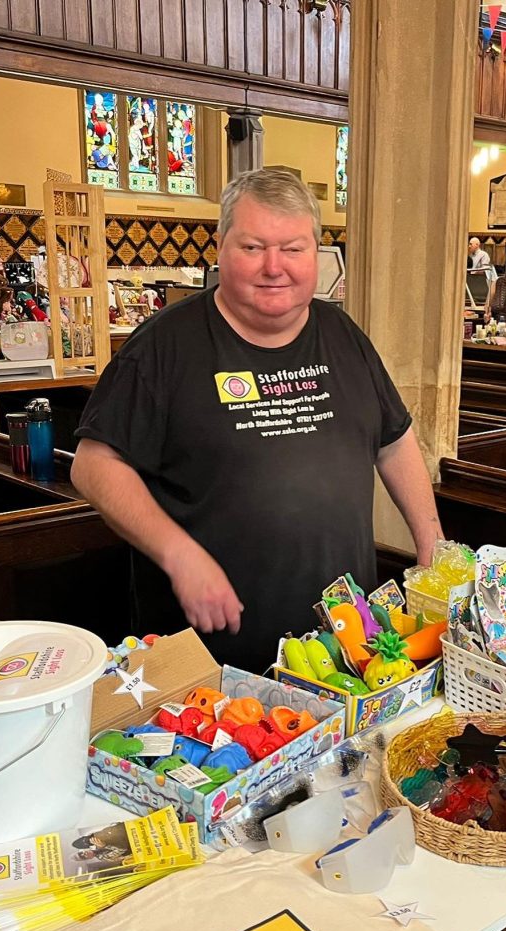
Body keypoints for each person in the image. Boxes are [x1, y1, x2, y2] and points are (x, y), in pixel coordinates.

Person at [72, 169, 443, 672]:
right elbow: (94, 466)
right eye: (252, 248)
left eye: (292, 249)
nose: (275, 267)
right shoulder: (163, 347)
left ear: (317, 252)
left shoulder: (342, 334)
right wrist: (181, 555)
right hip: (212, 654)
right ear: (221, 246)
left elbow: (394, 441)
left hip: (345, 645)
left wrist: (432, 543)